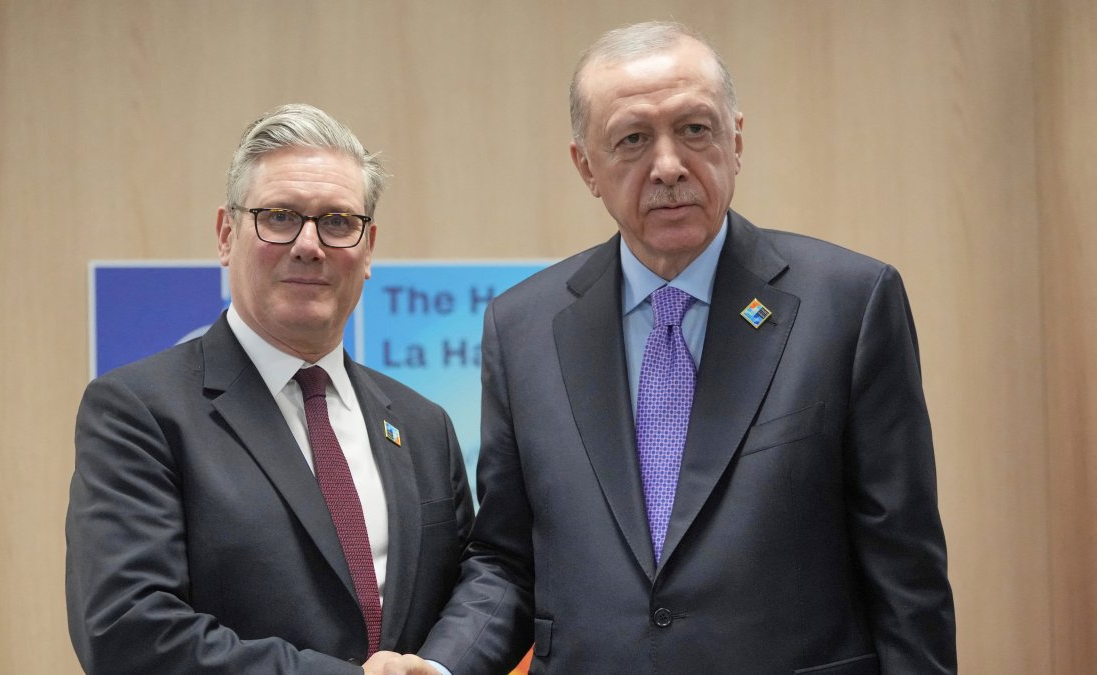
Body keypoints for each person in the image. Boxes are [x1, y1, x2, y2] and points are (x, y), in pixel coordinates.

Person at [386, 20, 957, 675]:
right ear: (586, 167)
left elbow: (906, 572)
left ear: (735, 141)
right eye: (632, 139)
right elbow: (508, 560)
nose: (668, 166)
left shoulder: (850, 304)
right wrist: (443, 665)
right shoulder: (524, 328)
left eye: (694, 129)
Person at [65, 103, 474, 674]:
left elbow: (471, 591)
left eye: (337, 222)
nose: (309, 244)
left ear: (368, 248)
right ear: (226, 235)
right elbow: (128, 632)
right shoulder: (140, 411)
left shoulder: (423, 424)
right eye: (279, 216)